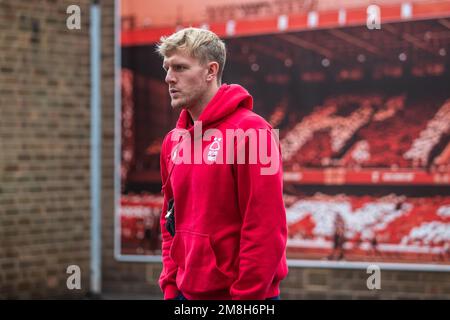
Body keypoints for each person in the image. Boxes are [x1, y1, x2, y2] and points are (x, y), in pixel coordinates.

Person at [156, 27, 288, 300]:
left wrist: (245, 299)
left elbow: (265, 228)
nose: (169, 78)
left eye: (180, 67)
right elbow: (170, 222)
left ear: (210, 71)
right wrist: (170, 288)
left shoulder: (255, 133)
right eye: (167, 68)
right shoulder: (172, 142)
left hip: (241, 297)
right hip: (183, 294)